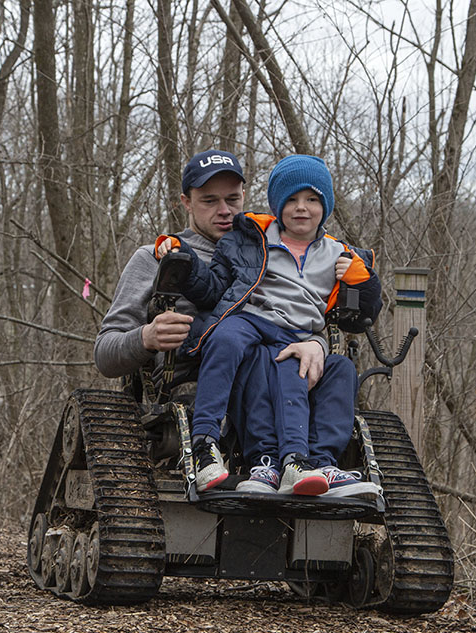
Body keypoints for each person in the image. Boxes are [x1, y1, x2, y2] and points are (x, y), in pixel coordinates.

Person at [95, 150, 374, 498]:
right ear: (186, 201)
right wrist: (146, 337)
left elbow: (306, 312)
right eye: (209, 200)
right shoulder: (158, 256)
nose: (224, 210)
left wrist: (316, 343)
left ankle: (311, 467)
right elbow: (105, 355)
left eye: (232, 198)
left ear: (245, 195)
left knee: (338, 372)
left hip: (282, 372)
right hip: (199, 379)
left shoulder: (271, 246)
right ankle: (214, 449)